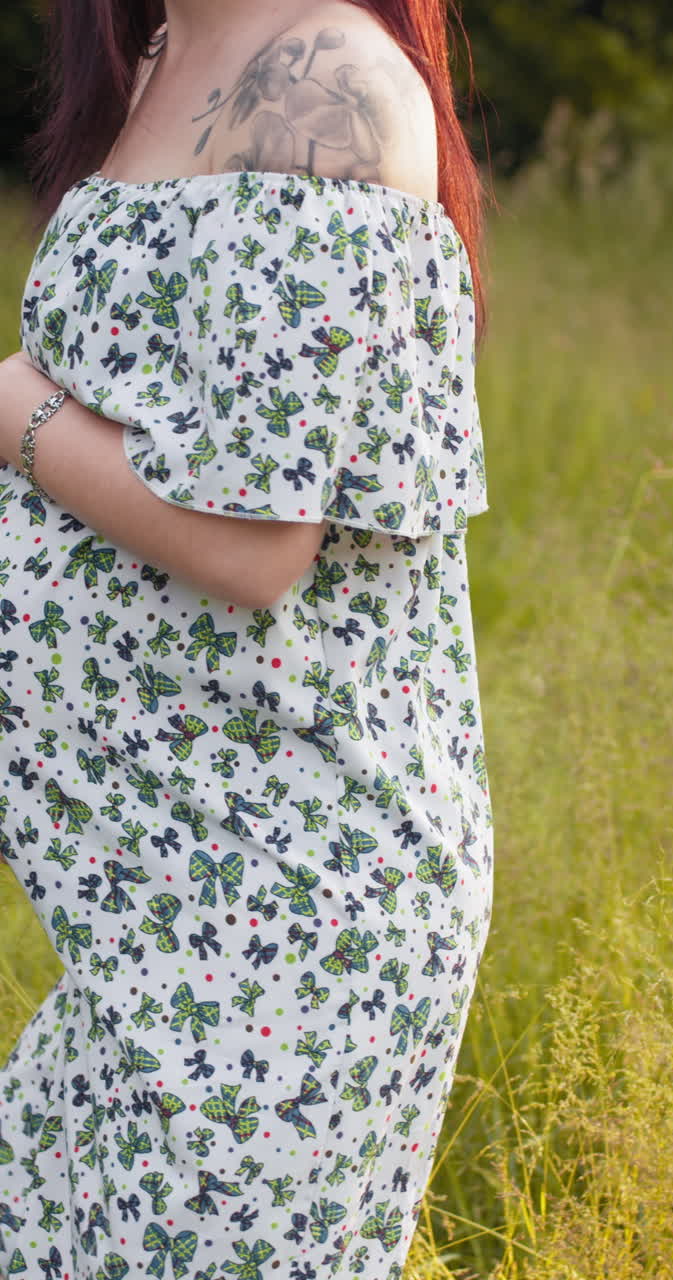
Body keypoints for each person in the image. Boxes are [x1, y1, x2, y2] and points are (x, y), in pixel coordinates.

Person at [0, 1, 493, 1275]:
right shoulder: (162, 42)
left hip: (289, 915)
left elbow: (255, 546)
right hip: (148, 908)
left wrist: (8, 405)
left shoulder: (326, 86)